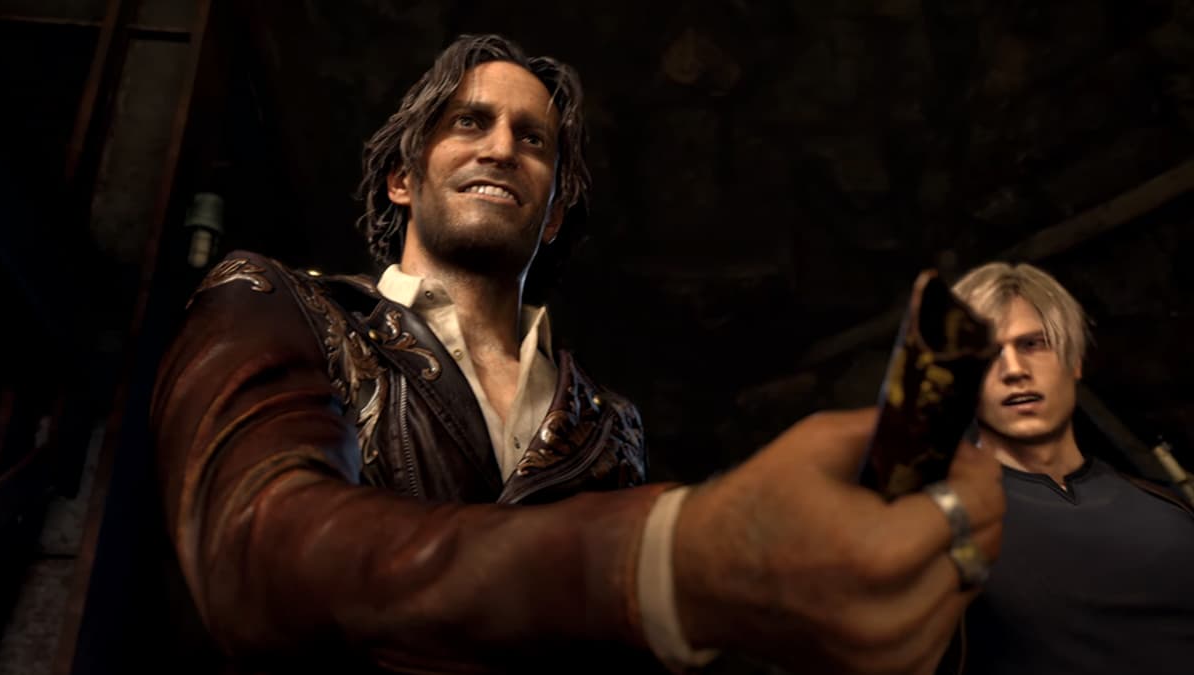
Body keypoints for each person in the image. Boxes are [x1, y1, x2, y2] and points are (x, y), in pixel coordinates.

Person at [151, 33, 1004, 674]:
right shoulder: (277, 303)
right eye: (469, 121)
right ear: (402, 179)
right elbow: (253, 548)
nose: (501, 147)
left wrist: (847, 593)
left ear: (554, 210)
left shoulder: (607, 422)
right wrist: (662, 555)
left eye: (535, 140)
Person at [950, 262, 1194, 675]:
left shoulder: (1166, 507)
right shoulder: (945, 528)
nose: (1014, 370)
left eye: (1033, 344)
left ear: (1075, 359)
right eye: (987, 354)